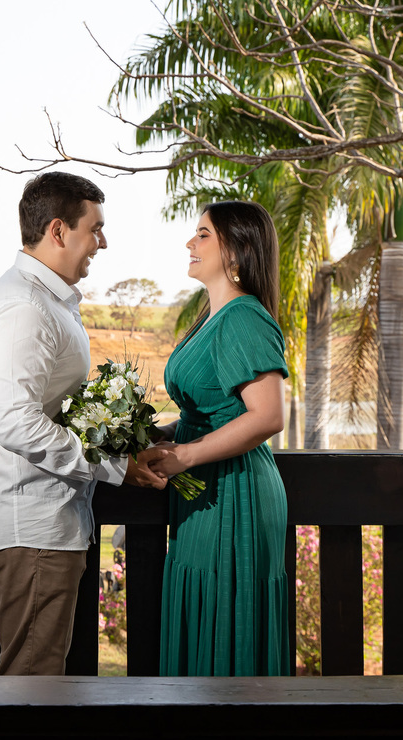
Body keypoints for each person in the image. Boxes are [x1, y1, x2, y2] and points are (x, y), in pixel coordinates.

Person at [0, 171, 167, 676]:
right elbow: (15, 422)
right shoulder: (23, 308)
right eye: (94, 228)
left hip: (48, 520)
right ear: (58, 230)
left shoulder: (45, 299)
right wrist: (114, 463)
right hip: (30, 523)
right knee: (31, 683)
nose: (102, 242)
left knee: (45, 680)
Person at [150, 200, 290, 676]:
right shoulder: (213, 318)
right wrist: (158, 435)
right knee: (203, 603)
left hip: (234, 492)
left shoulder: (244, 317)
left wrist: (187, 454)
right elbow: (211, 411)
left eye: (204, 234)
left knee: (227, 611)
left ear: (236, 251)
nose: (191, 242)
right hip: (203, 488)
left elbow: (268, 415)